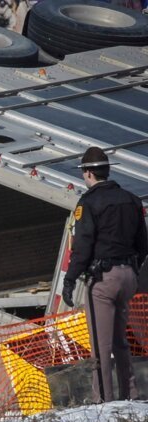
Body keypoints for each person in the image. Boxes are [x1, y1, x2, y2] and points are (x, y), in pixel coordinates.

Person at [62, 146, 148, 403]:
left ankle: (103, 401)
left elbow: (83, 245)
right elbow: (143, 244)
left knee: (101, 344)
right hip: (128, 276)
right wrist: (131, 268)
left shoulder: (88, 203)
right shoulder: (132, 199)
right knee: (120, 340)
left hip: (102, 280)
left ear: (88, 173)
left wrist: (69, 279)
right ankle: (129, 394)